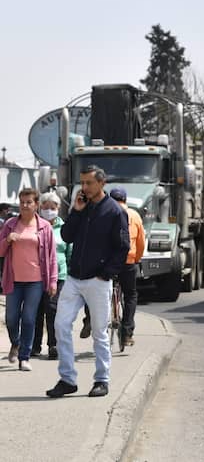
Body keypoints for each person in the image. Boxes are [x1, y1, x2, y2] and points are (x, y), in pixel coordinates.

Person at [46, 165, 129, 399]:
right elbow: (66, 236)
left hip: (98, 281)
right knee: (61, 325)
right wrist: (76, 211)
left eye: (89, 183)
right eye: (82, 182)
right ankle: (67, 379)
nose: (84, 187)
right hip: (74, 279)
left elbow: (122, 247)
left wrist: (106, 273)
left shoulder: (114, 211)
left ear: (102, 183)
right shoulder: (81, 208)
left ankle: (102, 380)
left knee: (99, 332)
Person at [0, 188, 58, 371]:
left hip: (35, 281)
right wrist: (7, 240)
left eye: (29, 202)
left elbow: (52, 256)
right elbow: (0, 251)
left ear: (36, 204)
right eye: (22, 202)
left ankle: (24, 357)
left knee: (28, 318)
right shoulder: (10, 224)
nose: (25, 205)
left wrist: (53, 281)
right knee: (11, 318)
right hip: (13, 280)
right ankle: (16, 343)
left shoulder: (45, 227)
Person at [31, 192, 70, 360]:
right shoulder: (34, 226)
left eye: (52, 208)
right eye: (45, 207)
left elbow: (70, 253)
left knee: (52, 309)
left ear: (58, 208)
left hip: (58, 275)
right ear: (40, 208)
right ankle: (34, 346)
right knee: (36, 310)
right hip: (36, 275)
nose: (49, 211)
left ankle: (53, 345)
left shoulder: (64, 228)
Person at [109, 186, 144, 346]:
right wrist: (137, 258)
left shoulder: (107, 213)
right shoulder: (134, 216)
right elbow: (141, 242)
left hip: (109, 261)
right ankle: (127, 333)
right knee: (130, 295)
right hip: (128, 261)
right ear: (125, 200)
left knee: (100, 292)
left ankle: (92, 321)